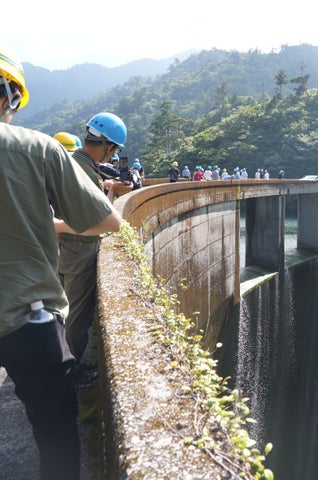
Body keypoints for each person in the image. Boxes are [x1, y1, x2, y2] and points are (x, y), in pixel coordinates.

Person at [0, 46, 122, 480]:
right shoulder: (36, 148)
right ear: (10, 98)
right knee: (54, 430)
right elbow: (108, 222)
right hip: (26, 317)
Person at [56, 111, 132, 388]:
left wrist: (108, 186)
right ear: (109, 145)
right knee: (76, 315)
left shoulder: (71, 161)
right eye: (114, 151)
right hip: (80, 250)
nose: (113, 157)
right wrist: (109, 189)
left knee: (60, 308)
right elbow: (109, 221)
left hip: (60, 249)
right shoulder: (88, 172)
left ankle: (62, 361)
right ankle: (70, 369)